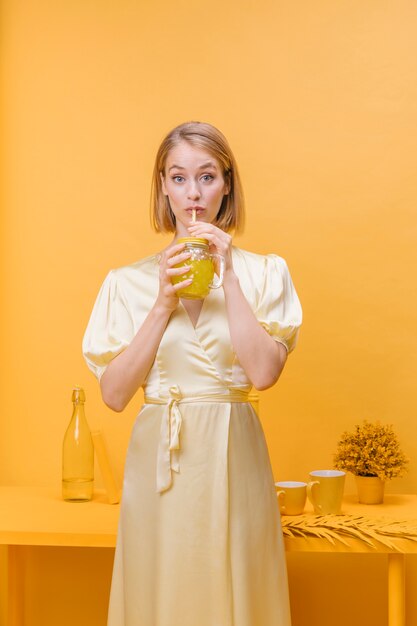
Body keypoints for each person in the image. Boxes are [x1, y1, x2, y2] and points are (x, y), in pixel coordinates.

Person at [82, 121, 302, 626]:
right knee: (161, 590)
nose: (194, 194)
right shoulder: (127, 283)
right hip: (161, 458)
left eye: (206, 177)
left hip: (234, 452)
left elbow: (264, 373)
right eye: (179, 178)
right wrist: (161, 303)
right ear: (163, 185)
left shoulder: (266, 273)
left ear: (227, 183)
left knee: (238, 583)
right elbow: (114, 395)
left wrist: (230, 278)